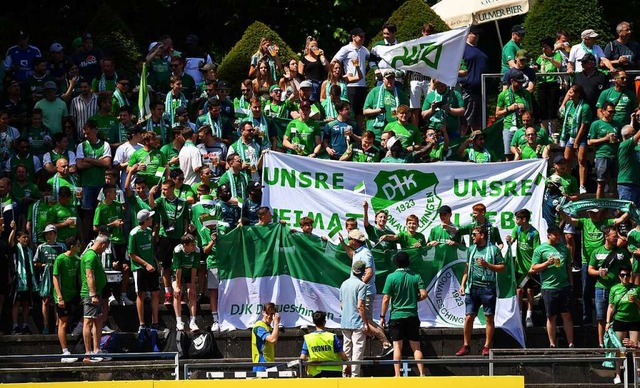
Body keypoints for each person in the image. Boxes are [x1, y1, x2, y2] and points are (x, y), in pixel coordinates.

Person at [560, 207, 628, 326]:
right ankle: (587, 318)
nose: (593, 215)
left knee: (607, 288)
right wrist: (560, 211)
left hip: (604, 259)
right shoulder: (584, 222)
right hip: (587, 261)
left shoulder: (605, 223)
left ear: (600, 213)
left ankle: (609, 318)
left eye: (595, 213)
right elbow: (569, 220)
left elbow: (620, 219)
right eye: (591, 212)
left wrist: (629, 209)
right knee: (586, 291)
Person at [456, 226, 505, 356]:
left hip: (488, 287)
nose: (472, 237)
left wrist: (487, 265)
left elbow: (502, 267)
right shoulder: (471, 249)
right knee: (468, 317)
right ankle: (466, 345)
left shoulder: (493, 249)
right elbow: (467, 267)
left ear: (482, 235)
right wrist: (463, 283)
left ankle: (487, 346)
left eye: (474, 234)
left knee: (489, 317)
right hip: (472, 287)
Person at [380, 251, 427, 377]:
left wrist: (382, 317)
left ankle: (397, 375)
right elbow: (423, 294)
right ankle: (422, 374)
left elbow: (386, 299)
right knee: (416, 347)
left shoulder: (391, 277)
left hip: (396, 316)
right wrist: (413, 298)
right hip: (412, 315)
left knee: (397, 346)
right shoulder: (416, 276)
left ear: (395, 263)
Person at [530, 225, 574, 348]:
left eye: (559, 234)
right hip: (549, 286)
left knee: (567, 315)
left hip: (564, 285)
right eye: (555, 235)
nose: (558, 237)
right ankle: (552, 343)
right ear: (549, 235)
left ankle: (571, 343)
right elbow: (533, 268)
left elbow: (568, 267)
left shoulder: (564, 249)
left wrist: (571, 283)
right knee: (551, 316)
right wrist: (546, 263)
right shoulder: (540, 249)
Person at [588, 226, 632, 347]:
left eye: (617, 236)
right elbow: (590, 270)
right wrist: (599, 272)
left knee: (618, 316)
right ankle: (602, 344)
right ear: (606, 236)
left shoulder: (622, 252)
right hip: (601, 288)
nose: (616, 238)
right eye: (614, 236)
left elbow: (628, 268)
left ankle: (616, 343)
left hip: (618, 288)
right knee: (601, 317)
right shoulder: (596, 252)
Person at [149, 179, 190, 306]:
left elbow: (185, 220)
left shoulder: (182, 203)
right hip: (165, 237)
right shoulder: (161, 200)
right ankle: (167, 293)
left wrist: (185, 234)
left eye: (166, 189)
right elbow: (152, 206)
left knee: (179, 266)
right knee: (165, 266)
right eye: (162, 189)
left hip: (178, 237)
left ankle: (180, 292)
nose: (163, 191)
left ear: (172, 188)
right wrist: (151, 194)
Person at [506, 209, 540, 328]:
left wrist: (533, 267)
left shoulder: (534, 233)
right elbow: (513, 239)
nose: (516, 221)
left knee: (529, 291)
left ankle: (529, 315)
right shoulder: (518, 229)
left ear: (524, 219)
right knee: (519, 291)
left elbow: (537, 251)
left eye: (517, 219)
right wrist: (509, 239)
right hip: (519, 268)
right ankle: (519, 315)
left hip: (530, 268)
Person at [606, 265, 640, 384]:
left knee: (635, 349)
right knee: (619, 349)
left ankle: (638, 374)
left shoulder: (637, 288)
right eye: (622, 275)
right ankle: (618, 374)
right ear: (619, 276)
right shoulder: (614, 288)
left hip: (634, 320)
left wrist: (636, 301)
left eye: (627, 275)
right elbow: (610, 307)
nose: (625, 277)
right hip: (620, 320)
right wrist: (607, 322)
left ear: (630, 275)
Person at [129, 209, 160, 331]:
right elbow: (132, 254)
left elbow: (151, 250)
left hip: (151, 266)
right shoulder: (134, 233)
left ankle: (155, 322)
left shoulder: (148, 231)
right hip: (139, 267)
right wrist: (146, 264)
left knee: (155, 293)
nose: (152, 219)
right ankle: (142, 323)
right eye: (150, 218)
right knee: (140, 294)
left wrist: (155, 263)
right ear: (145, 220)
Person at [80, 234, 109, 362]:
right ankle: (88, 353)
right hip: (91, 294)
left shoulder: (94, 256)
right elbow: (89, 276)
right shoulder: (90, 256)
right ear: (102, 245)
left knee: (98, 320)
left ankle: (97, 350)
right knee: (88, 322)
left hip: (98, 293)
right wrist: (93, 294)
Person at [53, 235, 82, 363]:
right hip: (62, 295)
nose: (80, 246)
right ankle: (65, 352)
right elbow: (55, 277)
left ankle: (77, 329)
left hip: (74, 293)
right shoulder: (60, 259)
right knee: (63, 323)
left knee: (87, 314)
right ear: (72, 246)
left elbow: (79, 277)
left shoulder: (77, 259)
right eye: (78, 244)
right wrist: (59, 297)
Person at [332, 27, 370, 125]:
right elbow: (334, 61)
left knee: (360, 112)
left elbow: (371, 60)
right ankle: (348, 132)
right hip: (351, 86)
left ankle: (358, 133)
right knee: (349, 112)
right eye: (360, 36)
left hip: (362, 85)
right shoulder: (346, 49)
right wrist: (342, 75)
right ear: (353, 37)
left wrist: (366, 71)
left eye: (364, 37)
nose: (363, 38)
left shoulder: (364, 50)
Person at [559, 84, 592, 193]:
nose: (569, 94)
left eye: (571, 92)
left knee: (581, 159)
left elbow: (584, 125)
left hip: (581, 136)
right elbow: (563, 117)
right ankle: (568, 183)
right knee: (567, 159)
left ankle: (582, 185)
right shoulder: (569, 104)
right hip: (569, 136)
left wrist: (577, 141)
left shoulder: (585, 107)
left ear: (577, 94)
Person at [34, 224, 67, 334]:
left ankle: (58, 326)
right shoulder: (41, 247)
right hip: (45, 279)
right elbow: (35, 262)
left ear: (55, 234)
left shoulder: (61, 247)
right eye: (47, 234)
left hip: (59, 278)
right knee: (46, 301)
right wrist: (44, 266)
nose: (48, 236)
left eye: (50, 233)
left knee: (58, 301)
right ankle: (46, 325)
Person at [339, 260, 370, 377]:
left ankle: (345, 375)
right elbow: (360, 306)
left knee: (346, 349)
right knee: (357, 350)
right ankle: (355, 376)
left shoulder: (344, 284)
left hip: (345, 321)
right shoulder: (361, 285)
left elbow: (341, 304)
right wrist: (366, 323)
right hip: (357, 322)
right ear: (363, 272)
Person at [300, 311, 351, 378]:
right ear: (325, 322)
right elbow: (342, 355)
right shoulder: (332, 337)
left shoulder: (308, 338)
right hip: (334, 372)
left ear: (313, 322)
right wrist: (348, 366)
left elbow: (302, 358)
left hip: (316, 372)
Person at [495, 69, 533, 159]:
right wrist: (509, 109)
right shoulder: (503, 95)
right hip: (509, 127)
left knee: (524, 154)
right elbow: (497, 114)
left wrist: (524, 110)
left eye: (522, 82)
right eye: (518, 82)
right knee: (508, 155)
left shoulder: (526, 94)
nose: (521, 84)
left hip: (523, 128)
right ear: (512, 81)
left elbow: (531, 111)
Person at [587, 101, 622, 199]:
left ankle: (617, 208)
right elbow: (590, 142)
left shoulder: (617, 124)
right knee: (600, 183)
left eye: (614, 112)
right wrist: (605, 139)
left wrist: (616, 140)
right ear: (603, 111)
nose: (612, 114)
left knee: (615, 183)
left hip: (615, 156)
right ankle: (599, 207)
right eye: (610, 111)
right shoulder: (596, 124)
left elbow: (622, 140)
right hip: (602, 155)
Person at [363, 69, 408, 142]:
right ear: (383, 79)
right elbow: (365, 111)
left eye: (392, 78)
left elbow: (406, 110)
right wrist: (377, 110)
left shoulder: (400, 93)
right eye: (388, 78)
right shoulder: (375, 91)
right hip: (376, 132)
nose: (390, 80)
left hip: (393, 131)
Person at [459, 26, 489, 135]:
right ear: (468, 34)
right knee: (466, 119)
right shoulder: (462, 49)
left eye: (478, 34)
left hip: (482, 90)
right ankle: (462, 142)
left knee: (479, 120)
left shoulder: (482, 49)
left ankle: (478, 141)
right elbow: (456, 68)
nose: (477, 36)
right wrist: (462, 80)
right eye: (474, 34)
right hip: (469, 90)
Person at [9, 221, 37, 334]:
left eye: (27, 237)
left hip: (29, 279)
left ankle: (25, 324)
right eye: (24, 237)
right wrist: (13, 230)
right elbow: (10, 242)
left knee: (26, 303)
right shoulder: (16, 248)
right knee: (16, 303)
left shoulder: (29, 250)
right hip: (19, 279)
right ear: (18, 238)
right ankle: (15, 325)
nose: (26, 239)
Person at [172, 233, 200, 332]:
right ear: (185, 245)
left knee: (191, 294)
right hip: (177, 274)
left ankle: (192, 321)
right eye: (192, 245)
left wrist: (192, 286)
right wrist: (178, 286)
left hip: (189, 273)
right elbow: (178, 269)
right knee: (177, 294)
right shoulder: (178, 250)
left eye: (194, 244)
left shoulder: (196, 250)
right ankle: (179, 321)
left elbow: (194, 268)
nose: (194, 246)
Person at [252, 301, 280, 372]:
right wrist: (276, 323)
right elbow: (272, 340)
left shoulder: (269, 327)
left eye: (272, 314)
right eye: (268, 313)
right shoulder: (259, 326)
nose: (269, 316)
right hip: (260, 363)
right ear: (263, 312)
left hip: (269, 362)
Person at [617, 124, 640, 207]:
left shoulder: (636, 148)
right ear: (627, 136)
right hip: (627, 184)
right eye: (633, 134)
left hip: (637, 183)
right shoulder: (624, 146)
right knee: (626, 210)